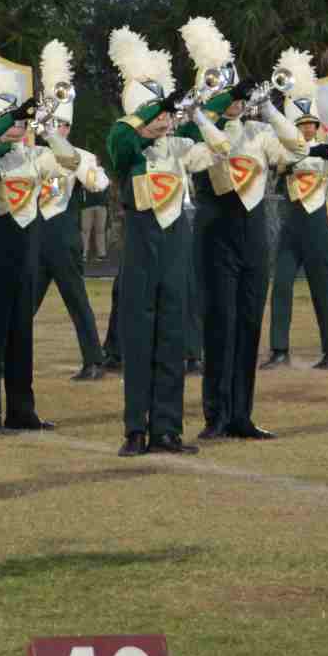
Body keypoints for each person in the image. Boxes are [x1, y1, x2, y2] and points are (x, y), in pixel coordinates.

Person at [181, 19, 305, 442]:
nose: (235, 103)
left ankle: (241, 415)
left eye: (238, 95)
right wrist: (209, 110)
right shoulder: (195, 132)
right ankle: (215, 415)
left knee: (250, 324)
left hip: (254, 234)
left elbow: (299, 147)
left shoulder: (259, 132)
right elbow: (207, 147)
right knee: (220, 324)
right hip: (216, 232)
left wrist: (267, 106)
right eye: (227, 95)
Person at [104, 29, 212, 456]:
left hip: (176, 242)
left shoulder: (179, 144)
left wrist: (189, 114)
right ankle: (135, 429)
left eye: (167, 115)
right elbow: (121, 140)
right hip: (140, 243)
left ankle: (167, 429)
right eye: (157, 115)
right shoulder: (127, 143)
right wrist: (149, 111)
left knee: (172, 336)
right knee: (138, 336)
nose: (164, 121)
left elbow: (212, 147)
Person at [0, 53, 80, 432]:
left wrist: (46, 128)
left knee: (22, 336)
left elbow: (70, 161)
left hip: (28, 256)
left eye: (20, 119)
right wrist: (4, 123)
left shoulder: (34, 155)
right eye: (11, 119)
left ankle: (21, 409)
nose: (18, 125)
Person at [264, 50, 328, 372]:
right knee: (281, 286)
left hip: (318, 227)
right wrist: (309, 153)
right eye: (301, 124)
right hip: (291, 228)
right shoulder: (284, 149)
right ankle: (279, 350)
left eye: (311, 124)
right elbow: (279, 163)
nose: (307, 129)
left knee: (323, 291)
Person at [30, 41, 112, 381]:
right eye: (55, 124)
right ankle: (4, 357)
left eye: (64, 125)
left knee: (77, 301)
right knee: (22, 305)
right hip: (35, 237)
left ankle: (94, 361)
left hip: (64, 237)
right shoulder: (33, 154)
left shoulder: (82, 156)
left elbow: (99, 183)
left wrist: (65, 150)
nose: (60, 129)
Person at [78, 179, 109, 264]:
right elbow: (79, 185)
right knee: (85, 230)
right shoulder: (84, 172)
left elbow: (108, 183)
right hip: (86, 205)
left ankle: (101, 254)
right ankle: (83, 254)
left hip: (101, 204)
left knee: (100, 230)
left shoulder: (103, 172)